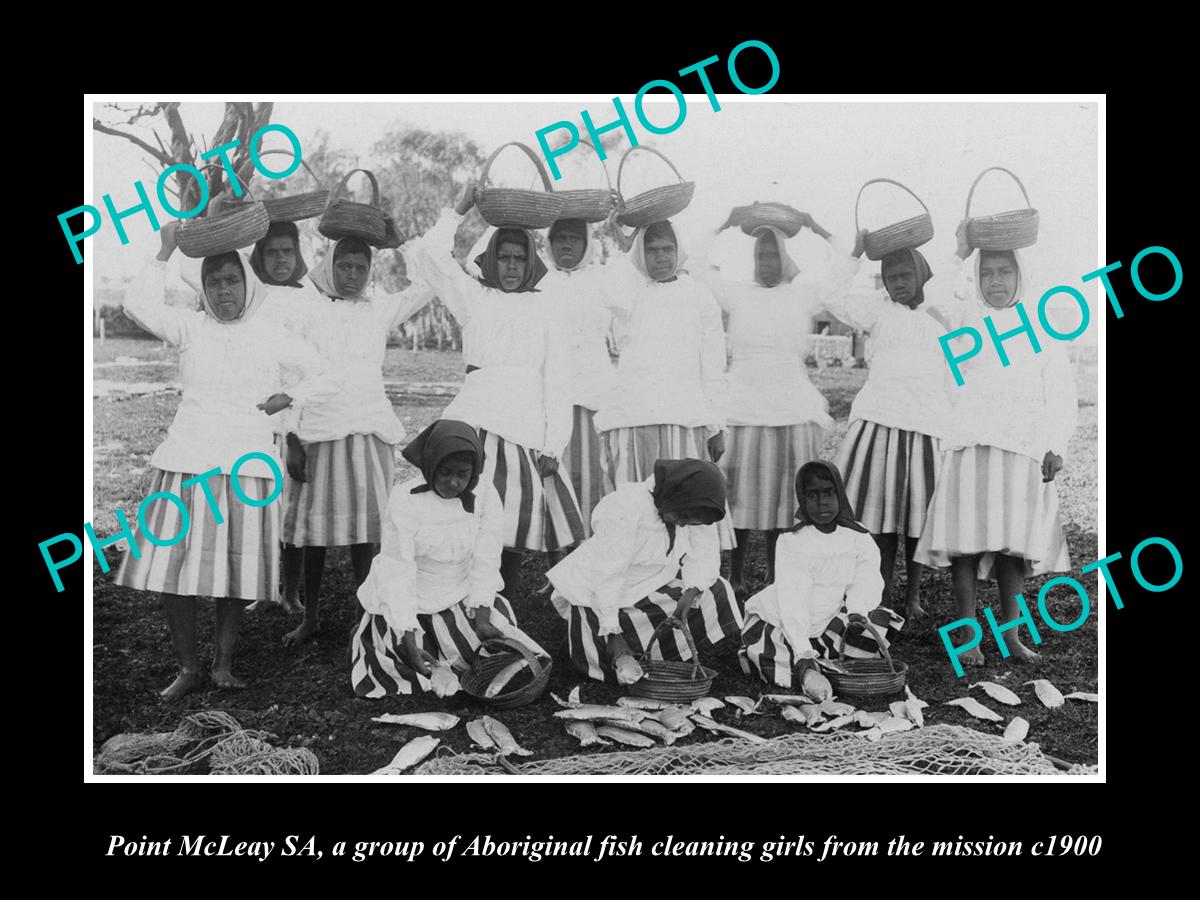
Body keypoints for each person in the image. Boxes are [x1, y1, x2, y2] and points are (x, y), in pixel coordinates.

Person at [112, 222, 335, 700]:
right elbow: (137, 305)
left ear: (246, 284)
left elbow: (325, 372)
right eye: (213, 282)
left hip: (248, 467)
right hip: (188, 460)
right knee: (175, 570)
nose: (223, 290)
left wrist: (288, 396)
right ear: (205, 289)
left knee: (235, 571)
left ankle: (223, 662)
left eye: (231, 280)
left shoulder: (270, 331)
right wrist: (165, 249)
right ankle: (188, 666)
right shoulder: (192, 326)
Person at [404, 186, 584, 600]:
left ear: (532, 262)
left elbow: (557, 380)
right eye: (503, 257)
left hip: (524, 429)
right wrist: (460, 208)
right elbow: (432, 256)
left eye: (520, 258)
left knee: (508, 530)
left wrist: (554, 444)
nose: (511, 266)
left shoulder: (547, 309)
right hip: (475, 418)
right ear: (489, 259)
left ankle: (500, 611)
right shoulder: (474, 298)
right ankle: (450, 601)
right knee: (462, 518)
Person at [914, 222, 1077, 667]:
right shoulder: (967, 316)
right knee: (965, 544)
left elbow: (1059, 389)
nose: (997, 281)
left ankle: (1011, 635)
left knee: (1014, 548)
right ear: (976, 277)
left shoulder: (1039, 326)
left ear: (1020, 275)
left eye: (1005, 272)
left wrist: (1054, 443)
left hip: (1021, 448)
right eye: (988, 273)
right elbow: (930, 299)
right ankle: (966, 636)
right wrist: (960, 251)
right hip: (971, 443)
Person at [278, 235, 436, 646]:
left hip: (369, 428)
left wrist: (405, 243)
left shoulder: (379, 308)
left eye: (360, 268)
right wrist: (292, 434)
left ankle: (364, 613)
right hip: (321, 430)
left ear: (370, 271)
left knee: (368, 532)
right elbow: (291, 376)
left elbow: (427, 285)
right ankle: (310, 616)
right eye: (344, 266)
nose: (351, 276)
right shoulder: (307, 309)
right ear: (330, 265)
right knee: (316, 533)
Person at [695, 211, 859, 595]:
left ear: (784, 258)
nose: (767, 263)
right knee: (738, 496)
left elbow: (846, 265)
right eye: (761, 256)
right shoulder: (736, 293)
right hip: (744, 405)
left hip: (792, 407)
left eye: (773, 255)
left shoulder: (802, 296)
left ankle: (775, 575)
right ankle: (733, 576)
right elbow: (695, 264)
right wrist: (722, 223)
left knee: (783, 499)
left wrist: (817, 227)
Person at [349, 419, 546, 697]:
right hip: (411, 594)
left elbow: (486, 558)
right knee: (404, 661)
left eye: (463, 474)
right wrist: (407, 634)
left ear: (474, 471)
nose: (453, 482)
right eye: (444, 473)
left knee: (503, 653)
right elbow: (398, 569)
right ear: (430, 465)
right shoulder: (404, 499)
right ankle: (392, 639)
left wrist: (482, 617)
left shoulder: (486, 494)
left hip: (458, 591)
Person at [822, 240, 953, 618]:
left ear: (921, 275)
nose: (898, 283)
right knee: (879, 521)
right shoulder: (877, 311)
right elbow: (829, 295)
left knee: (916, 523)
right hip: (880, 423)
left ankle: (912, 596)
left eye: (906, 275)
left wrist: (959, 250)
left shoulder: (938, 315)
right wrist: (855, 253)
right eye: (891, 277)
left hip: (926, 427)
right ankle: (880, 593)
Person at [593, 219, 733, 547]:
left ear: (678, 250)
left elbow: (712, 364)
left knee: (684, 507)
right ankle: (632, 582)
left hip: (684, 418)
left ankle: (686, 578)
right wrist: (625, 242)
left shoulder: (699, 295)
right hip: (632, 416)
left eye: (667, 249)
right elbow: (613, 288)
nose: (660, 257)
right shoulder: (628, 292)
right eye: (651, 250)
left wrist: (717, 425)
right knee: (633, 509)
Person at [548, 459, 742, 684]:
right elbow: (609, 572)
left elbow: (703, 553)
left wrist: (689, 595)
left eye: (691, 522)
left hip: (651, 582)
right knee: (606, 631)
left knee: (718, 590)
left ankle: (657, 653)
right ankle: (602, 645)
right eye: (683, 517)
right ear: (674, 497)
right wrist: (613, 633)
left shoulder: (690, 507)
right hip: (599, 587)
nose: (684, 524)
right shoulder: (624, 506)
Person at [740, 460, 904, 692]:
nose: (822, 502)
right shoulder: (792, 540)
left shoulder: (858, 536)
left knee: (878, 621)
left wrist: (857, 610)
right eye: (812, 495)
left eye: (828, 493)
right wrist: (802, 649)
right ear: (802, 499)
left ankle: (825, 661)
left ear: (840, 494)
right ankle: (807, 663)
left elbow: (866, 579)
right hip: (789, 617)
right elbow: (792, 597)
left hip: (832, 616)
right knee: (771, 645)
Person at [540, 217, 618, 536]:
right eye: (560, 239)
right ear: (549, 243)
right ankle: (556, 562)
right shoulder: (540, 277)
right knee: (552, 475)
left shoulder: (602, 277)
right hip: (550, 387)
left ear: (587, 243)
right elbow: (478, 263)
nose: (567, 245)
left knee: (593, 475)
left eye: (575, 238)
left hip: (594, 388)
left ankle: (592, 552)